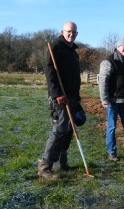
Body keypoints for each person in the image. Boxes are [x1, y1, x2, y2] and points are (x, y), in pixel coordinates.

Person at [38, 21, 82, 179]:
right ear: (63, 31)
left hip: (71, 96)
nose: (72, 35)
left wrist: (76, 97)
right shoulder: (56, 46)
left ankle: (61, 163)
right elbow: (49, 71)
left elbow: (74, 77)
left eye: (74, 33)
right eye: (69, 31)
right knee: (60, 129)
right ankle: (44, 167)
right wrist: (57, 94)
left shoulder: (73, 51)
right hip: (60, 96)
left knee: (68, 130)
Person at [98, 36, 124, 162]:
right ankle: (112, 152)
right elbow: (103, 82)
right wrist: (104, 100)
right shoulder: (108, 61)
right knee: (111, 127)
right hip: (112, 101)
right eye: (123, 46)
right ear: (118, 47)